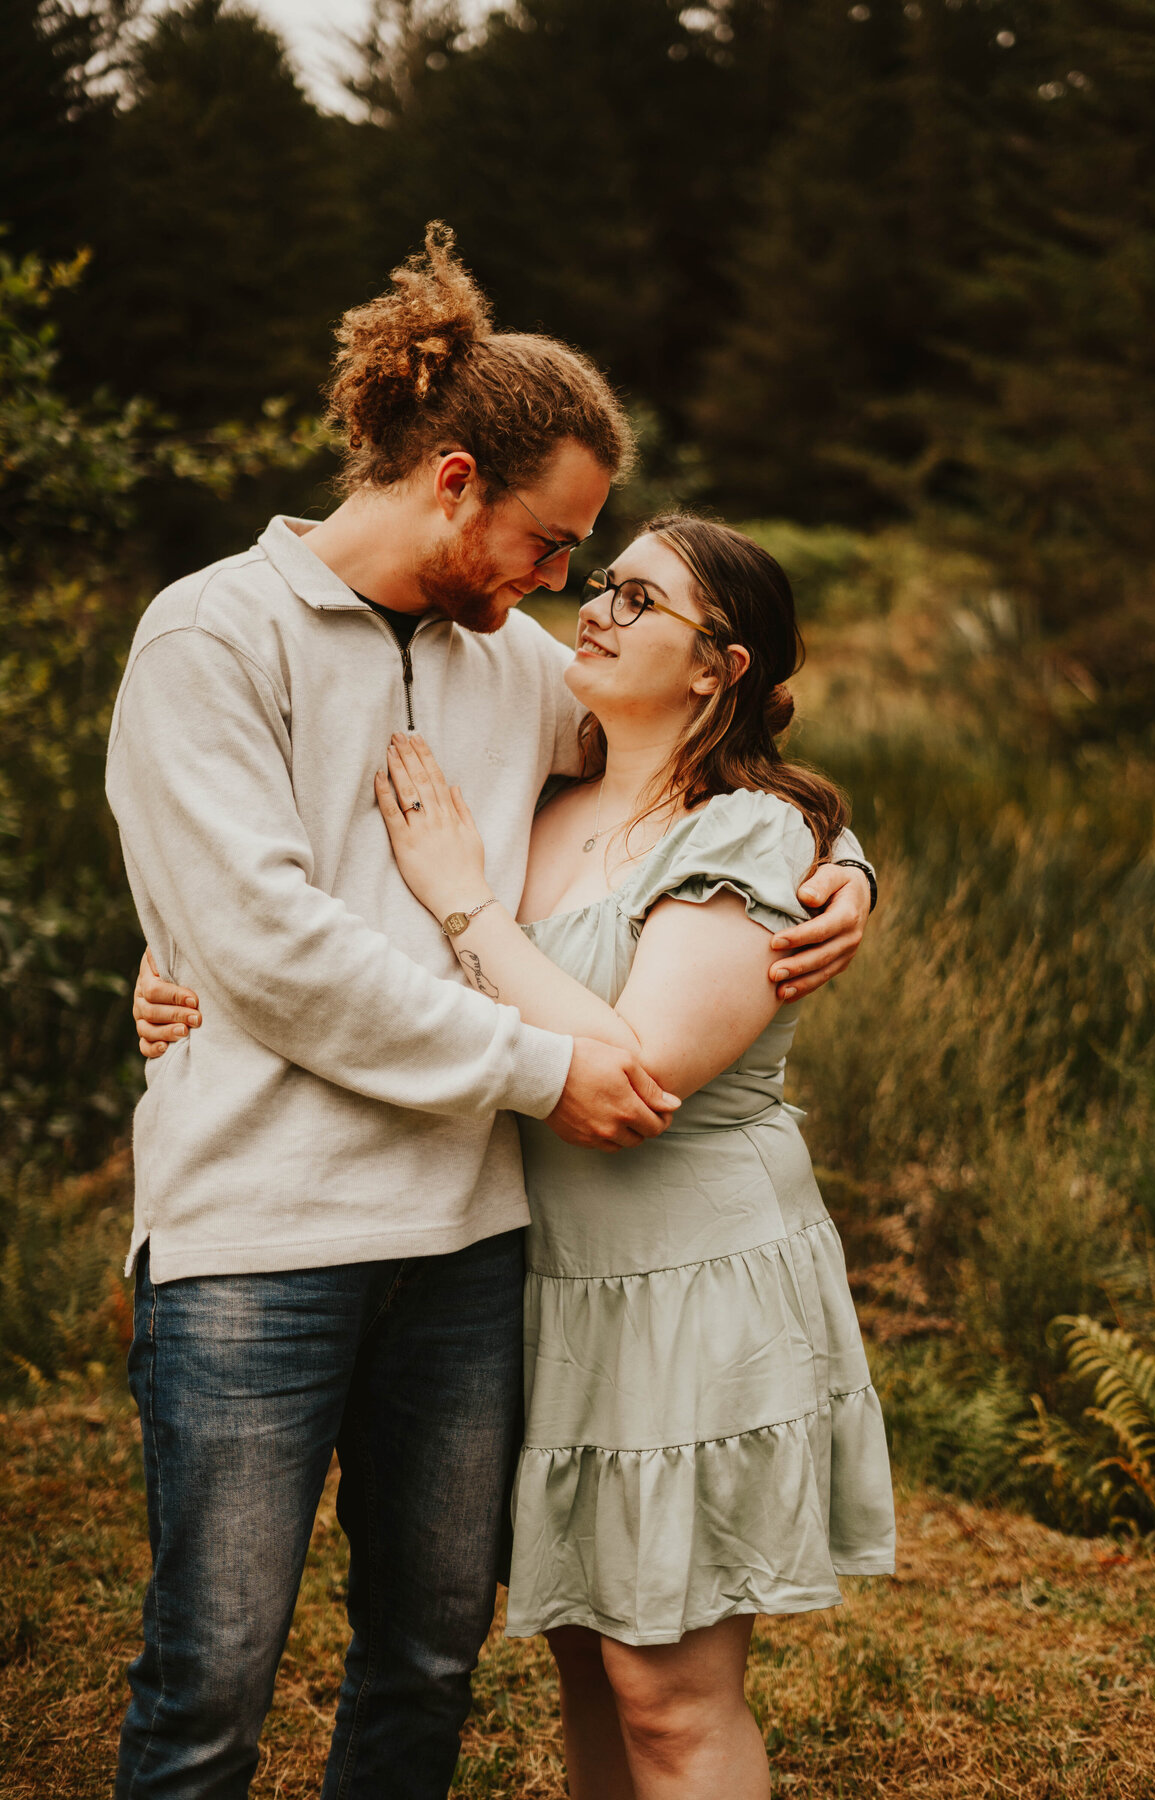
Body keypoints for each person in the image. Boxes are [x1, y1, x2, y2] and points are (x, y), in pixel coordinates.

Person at [114, 226, 877, 1800]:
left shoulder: (512, 669)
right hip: (260, 1236)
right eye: (551, 544)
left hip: (469, 1248)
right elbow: (270, 939)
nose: (561, 587)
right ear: (453, 481)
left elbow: (711, 785)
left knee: (428, 1664)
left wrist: (843, 857)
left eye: (587, 567)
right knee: (210, 1684)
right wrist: (541, 1069)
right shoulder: (211, 635)